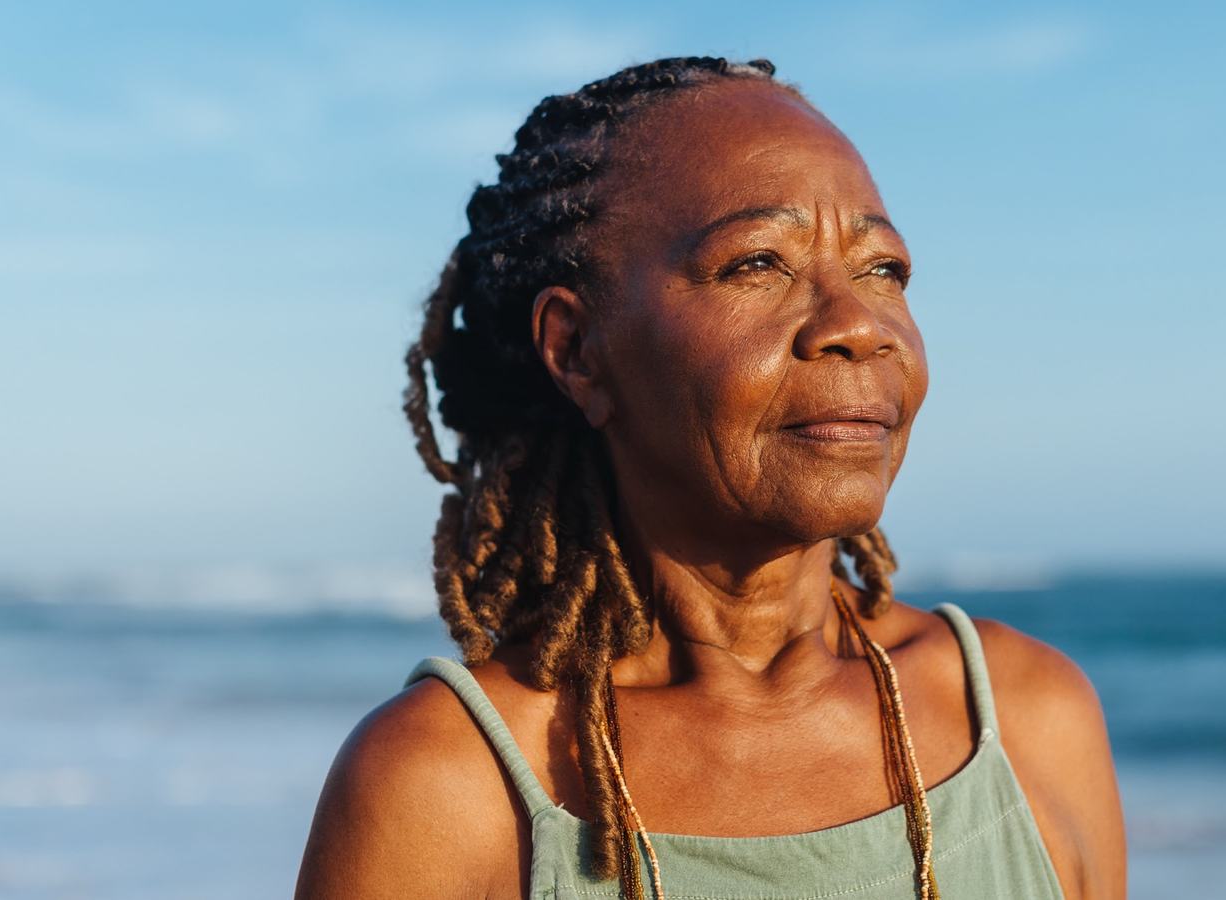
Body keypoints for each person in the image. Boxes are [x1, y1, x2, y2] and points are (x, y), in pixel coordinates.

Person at [294, 56, 1125, 900]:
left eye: (882, 269)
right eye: (758, 263)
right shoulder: (448, 787)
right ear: (577, 351)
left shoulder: (1028, 717)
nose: (856, 325)